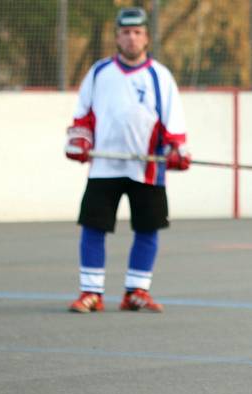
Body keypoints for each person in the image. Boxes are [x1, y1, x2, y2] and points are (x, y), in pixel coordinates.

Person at [65, 7, 190, 314]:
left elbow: (173, 122)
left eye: (137, 33)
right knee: (93, 228)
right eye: (125, 33)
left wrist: (176, 149)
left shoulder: (160, 76)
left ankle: (136, 292)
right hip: (104, 167)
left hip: (146, 168)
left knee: (147, 229)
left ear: (146, 37)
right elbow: (83, 115)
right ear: (117, 37)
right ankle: (91, 293)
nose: (131, 38)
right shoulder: (99, 73)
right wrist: (80, 141)